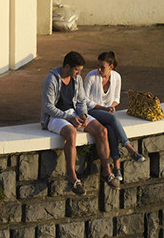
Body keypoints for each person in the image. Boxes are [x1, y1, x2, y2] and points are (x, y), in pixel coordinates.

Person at [41, 51, 120, 195]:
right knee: (71, 133)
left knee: (102, 131)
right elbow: (48, 107)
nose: (79, 73)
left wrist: (83, 115)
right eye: (77, 70)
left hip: (74, 113)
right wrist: (69, 118)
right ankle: (73, 178)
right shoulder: (51, 79)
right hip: (54, 117)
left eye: (80, 70)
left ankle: (106, 171)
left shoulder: (76, 79)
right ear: (67, 66)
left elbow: (82, 101)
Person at [84, 51, 146, 182]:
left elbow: (117, 98)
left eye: (103, 67)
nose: (99, 69)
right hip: (92, 111)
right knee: (112, 118)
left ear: (111, 66)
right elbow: (85, 101)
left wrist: (111, 106)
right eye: (98, 66)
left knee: (110, 130)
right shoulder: (91, 77)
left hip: (107, 112)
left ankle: (117, 168)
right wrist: (104, 108)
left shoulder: (117, 77)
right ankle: (129, 147)